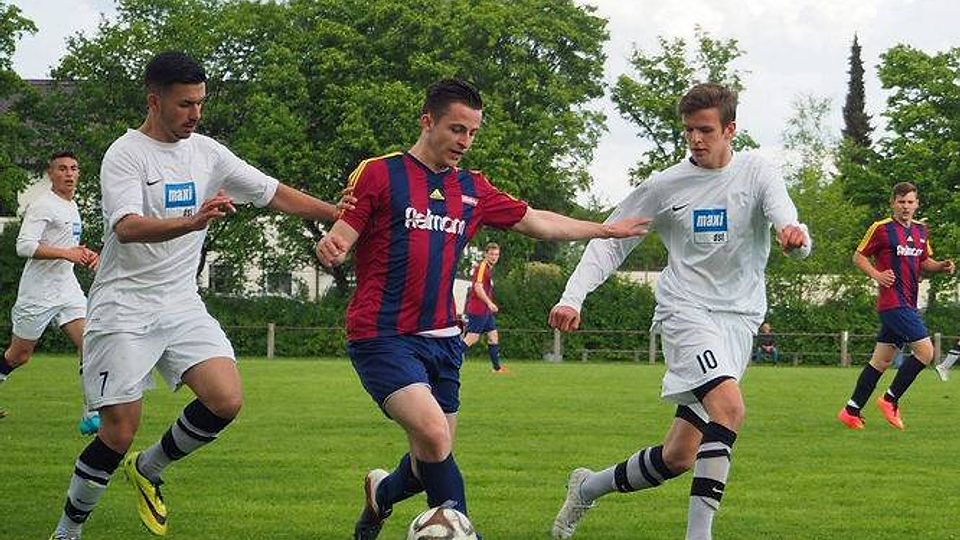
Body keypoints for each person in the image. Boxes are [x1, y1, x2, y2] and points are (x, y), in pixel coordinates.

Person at [314, 78, 648, 540]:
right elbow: (344, 232)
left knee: (431, 451)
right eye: (456, 130)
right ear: (426, 121)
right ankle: (460, 530)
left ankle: (381, 496)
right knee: (433, 435)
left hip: (443, 340)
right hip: (381, 335)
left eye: (472, 133)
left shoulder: (473, 189)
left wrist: (605, 231)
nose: (464, 142)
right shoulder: (378, 173)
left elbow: (538, 222)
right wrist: (333, 247)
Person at [48, 51, 348, 540]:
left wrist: (335, 211)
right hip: (123, 306)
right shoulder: (125, 155)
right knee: (117, 432)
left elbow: (270, 191)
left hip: (180, 303)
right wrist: (194, 221)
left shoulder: (208, 152)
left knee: (226, 399)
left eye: (201, 103)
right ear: (154, 100)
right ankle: (67, 531)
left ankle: (151, 467)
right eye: (186, 104)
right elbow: (126, 229)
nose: (195, 114)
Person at [547, 83, 812, 540]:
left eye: (705, 130)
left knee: (679, 456)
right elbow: (611, 241)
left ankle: (588, 486)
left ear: (730, 130)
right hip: (685, 311)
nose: (695, 139)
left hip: (740, 319)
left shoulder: (757, 171)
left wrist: (796, 239)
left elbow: (787, 220)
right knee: (729, 408)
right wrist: (573, 296)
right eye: (689, 130)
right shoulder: (665, 185)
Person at [837, 182, 955, 431]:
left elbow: (924, 261)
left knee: (880, 362)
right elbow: (858, 256)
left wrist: (941, 266)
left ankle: (851, 410)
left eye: (910, 202)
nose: (906, 207)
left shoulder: (921, 231)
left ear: (917, 204)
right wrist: (877, 275)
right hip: (893, 304)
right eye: (901, 202)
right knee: (926, 352)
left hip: (908, 303)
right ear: (893, 203)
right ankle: (890, 399)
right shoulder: (881, 229)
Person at [0, 151, 100, 433]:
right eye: (62, 169)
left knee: (91, 344)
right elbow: (25, 246)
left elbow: (65, 246)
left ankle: (91, 413)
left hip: (67, 289)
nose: (69, 173)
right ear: (50, 174)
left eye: (74, 168)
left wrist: (83, 254)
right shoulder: (43, 205)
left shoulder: (72, 206)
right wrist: (67, 254)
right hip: (38, 292)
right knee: (19, 355)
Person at [463, 242, 506, 372]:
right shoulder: (482, 267)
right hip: (478, 309)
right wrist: (489, 303)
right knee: (472, 338)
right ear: (486, 254)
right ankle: (448, 359)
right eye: (492, 254)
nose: (494, 257)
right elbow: (477, 287)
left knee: (493, 336)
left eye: (496, 254)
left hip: (485, 311)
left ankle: (497, 369)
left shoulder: (488, 268)